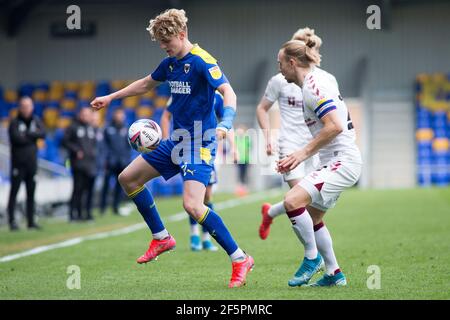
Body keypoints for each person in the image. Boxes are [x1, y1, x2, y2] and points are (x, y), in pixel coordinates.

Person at [90, 9, 253, 288]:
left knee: (192, 205)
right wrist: (111, 97)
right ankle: (162, 237)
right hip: (175, 141)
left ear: (182, 34)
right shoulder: (170, 63)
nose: (165, 47)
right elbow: (145, 84)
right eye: (161, 43)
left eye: (168, 42)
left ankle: (240, 258)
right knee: (127, 178)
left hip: (199, 143)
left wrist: (225, 123)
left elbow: (229, 92)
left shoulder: (203, 61)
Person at [275, 39, 362, 287]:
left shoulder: (313, 87)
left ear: (292, 63)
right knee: (312, 218)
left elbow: (334, 125)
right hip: (335, 160)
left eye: (280, 63)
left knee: (292, 201)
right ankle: (334, 274)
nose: (279, 69)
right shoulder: (320, 79)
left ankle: (312, 258)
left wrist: (300, 155)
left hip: (342, 161)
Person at [257, 27, 321, 240]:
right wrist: (268, 138)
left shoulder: (320, 80)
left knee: (308, 200)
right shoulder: (279, 80)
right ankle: (314, 255)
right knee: (303, 200)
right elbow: (262, 108)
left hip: (313, 146)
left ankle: (271, 212)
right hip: (289, 144)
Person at [160, 92, 238, 252]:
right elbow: (166, 116)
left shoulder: (216, 96)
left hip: (205, 151)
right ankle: (194, 236)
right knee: (193, 196)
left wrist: (234, 147)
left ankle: (206, 238)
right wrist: (166, 140)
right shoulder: (181, 90)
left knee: (207, 195)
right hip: (184, 149)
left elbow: (226, 122)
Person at [7, 96, 45, 231]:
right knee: (14, 192)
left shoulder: (36, 120)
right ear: (20, 107)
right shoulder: (15, 122)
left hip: (32, 163)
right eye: (24, 106)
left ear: (32, 107)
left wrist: (27, 135)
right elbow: (16, 139)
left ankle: (31, 221)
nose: (26, 109)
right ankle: (11, 220)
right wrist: (33, 136)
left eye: (29, 106)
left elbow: (43, 133)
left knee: (31, 193)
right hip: (18, 163)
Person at [63, 107, 97, 222]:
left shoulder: (91, 128)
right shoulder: (73, 127)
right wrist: (76, 150)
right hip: (78, 164)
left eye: (88, 115)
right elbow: (65, 141)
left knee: (89, 190)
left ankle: (87, 213)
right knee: (78, 189)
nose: (86, 117)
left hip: (90, 164)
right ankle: (73, 214)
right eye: (84, 114)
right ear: (80, 115)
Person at [100, 108, 130, 215]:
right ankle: (102, 208)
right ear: (114, 116)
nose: (120, 117)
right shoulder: (108, 129)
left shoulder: (126, 129)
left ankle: (115, 207)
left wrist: (126, 159)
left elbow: (128, 146)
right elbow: (104, 145)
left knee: (119, 186)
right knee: (106, 185)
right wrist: (106, 158)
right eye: (118, 115)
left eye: (122, 115)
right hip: (110, 162)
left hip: (122, 162)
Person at [234, 124, 251, 197]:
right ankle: (240, 188)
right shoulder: (236, 139)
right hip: (239, 159)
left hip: (245, 159)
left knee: (244, 174)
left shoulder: (246, 139)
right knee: (239, 174)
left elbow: (248, 149)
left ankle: (244, 188)